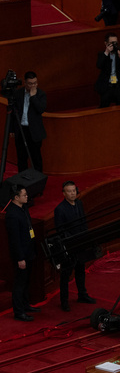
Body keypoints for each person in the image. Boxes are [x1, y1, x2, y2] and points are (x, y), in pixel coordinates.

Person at [53, 181, 95, 311]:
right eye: (69, 191)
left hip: (81, 243)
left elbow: (83, 222)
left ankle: (82, 294)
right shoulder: (60, 209)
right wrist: (72, 240)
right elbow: (60, 230)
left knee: (80, 270)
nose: (72, 193)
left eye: (73, 191)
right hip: (70, 246)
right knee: (66, 274)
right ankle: (64, 301)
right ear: (64, 193)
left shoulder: (79, 203)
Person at [5, 185, 36, 322]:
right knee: (20, 283)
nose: (27, 196)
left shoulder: (23, 208)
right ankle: (19, 312)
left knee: (27, 281)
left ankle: (25, 305)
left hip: (29, 251)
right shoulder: (12, 214)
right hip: (21, 255)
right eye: (24, 195)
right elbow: (14, 239)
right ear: (16, 197)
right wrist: (20, 258)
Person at [9, 72, 46, 173]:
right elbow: (14, 112)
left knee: (36, 158)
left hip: (34, 131)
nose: (33, 86)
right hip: (21, 130)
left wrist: (33, 97)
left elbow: (41, 109)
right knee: (21, 157)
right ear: (25, 83)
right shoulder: (18, 93)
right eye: (30, 83)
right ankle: (22, 182)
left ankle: (38, 180)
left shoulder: (40, 94)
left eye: (35, 83)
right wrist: (12, 129)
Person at [95, 32, 120, 107]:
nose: (114, 45)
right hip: (107, 86)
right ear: (106, 43)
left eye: (115, 43)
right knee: (104, 105)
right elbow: (99, 65)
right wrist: (107, 52)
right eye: (111, 43)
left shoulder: (119, 54)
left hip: (118, 85)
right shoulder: (102, 54)